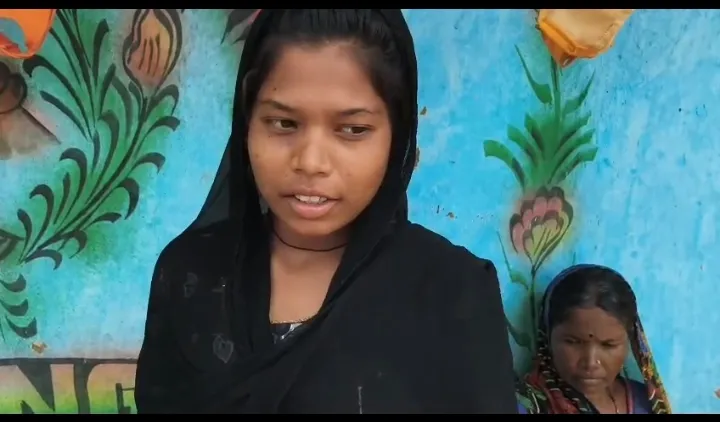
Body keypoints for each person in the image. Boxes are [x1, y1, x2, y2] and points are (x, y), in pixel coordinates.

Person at [134, 9, 517, 414]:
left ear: (397, 132)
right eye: (283, 123)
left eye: (353, 130)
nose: (311, 162)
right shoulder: (190, 274)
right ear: (248, 121)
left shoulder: (452, 293)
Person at [515, 264, 672, 414]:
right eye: (573, 342)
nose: (590, 363)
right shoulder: (522, 406)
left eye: (608, 345)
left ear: (630, 341)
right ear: (548, 336)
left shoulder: (647, 402)